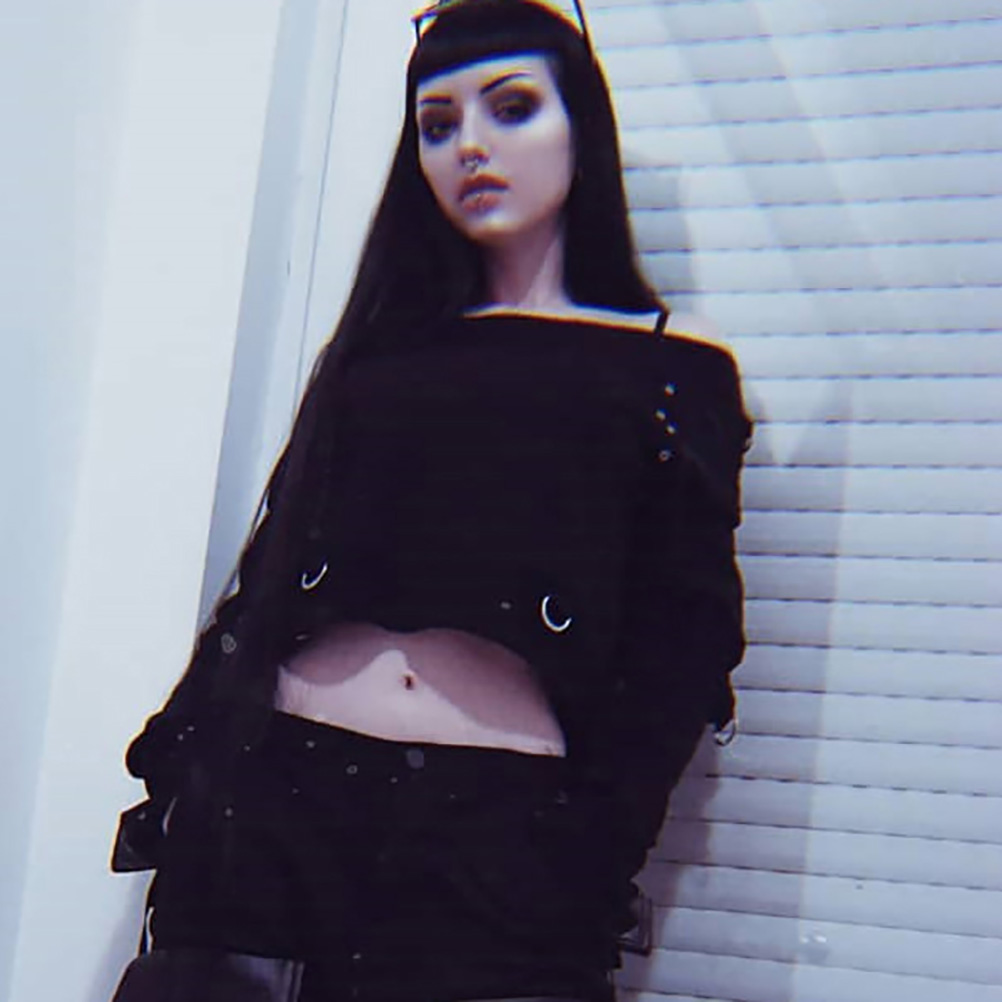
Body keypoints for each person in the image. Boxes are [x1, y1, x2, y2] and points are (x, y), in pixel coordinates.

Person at [110, 1, 752, 1000]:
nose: (471, 147)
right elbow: (272, 575)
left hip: (496, 839)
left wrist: (595, 848)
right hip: (272, 805)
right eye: (438, 124)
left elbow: (683, 642)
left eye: (511, 107)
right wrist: (191, 760)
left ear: (584, 123)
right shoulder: (379, 348)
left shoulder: (673, 367)